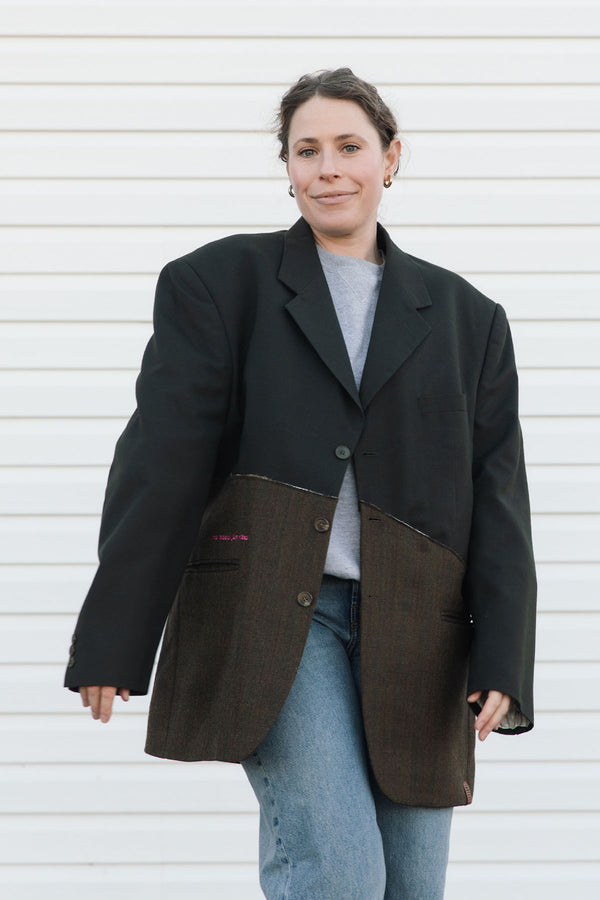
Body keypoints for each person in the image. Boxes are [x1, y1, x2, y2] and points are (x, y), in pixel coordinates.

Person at [65, 68, 536, 899]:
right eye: (306, 149)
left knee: (411, 887)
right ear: (285, 167)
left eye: (349, 147)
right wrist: (114, 635)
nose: (328, 168)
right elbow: (161, 463)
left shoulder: (471, 320)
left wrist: (503, 654)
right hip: (278, 616)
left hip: (420, 633)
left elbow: (497, 499)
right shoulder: (216, 285)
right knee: (340, 873)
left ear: (391, 159)